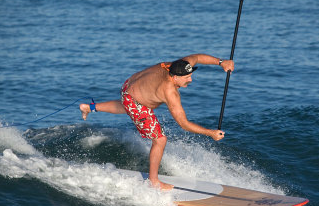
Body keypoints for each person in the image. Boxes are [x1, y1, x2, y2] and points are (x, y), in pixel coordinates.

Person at [79, 54, 234, 190]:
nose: (190, 79)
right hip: (135, 100)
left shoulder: (179, 65)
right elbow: (183, 124)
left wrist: (222, 62)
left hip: (129, 85)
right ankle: (154, 181)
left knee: (126, 105)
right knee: (160, 139)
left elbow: (198, 57)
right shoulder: (169, 92)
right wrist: (210, 133)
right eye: (187, 78)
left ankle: (89, 107)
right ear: (175, 78)